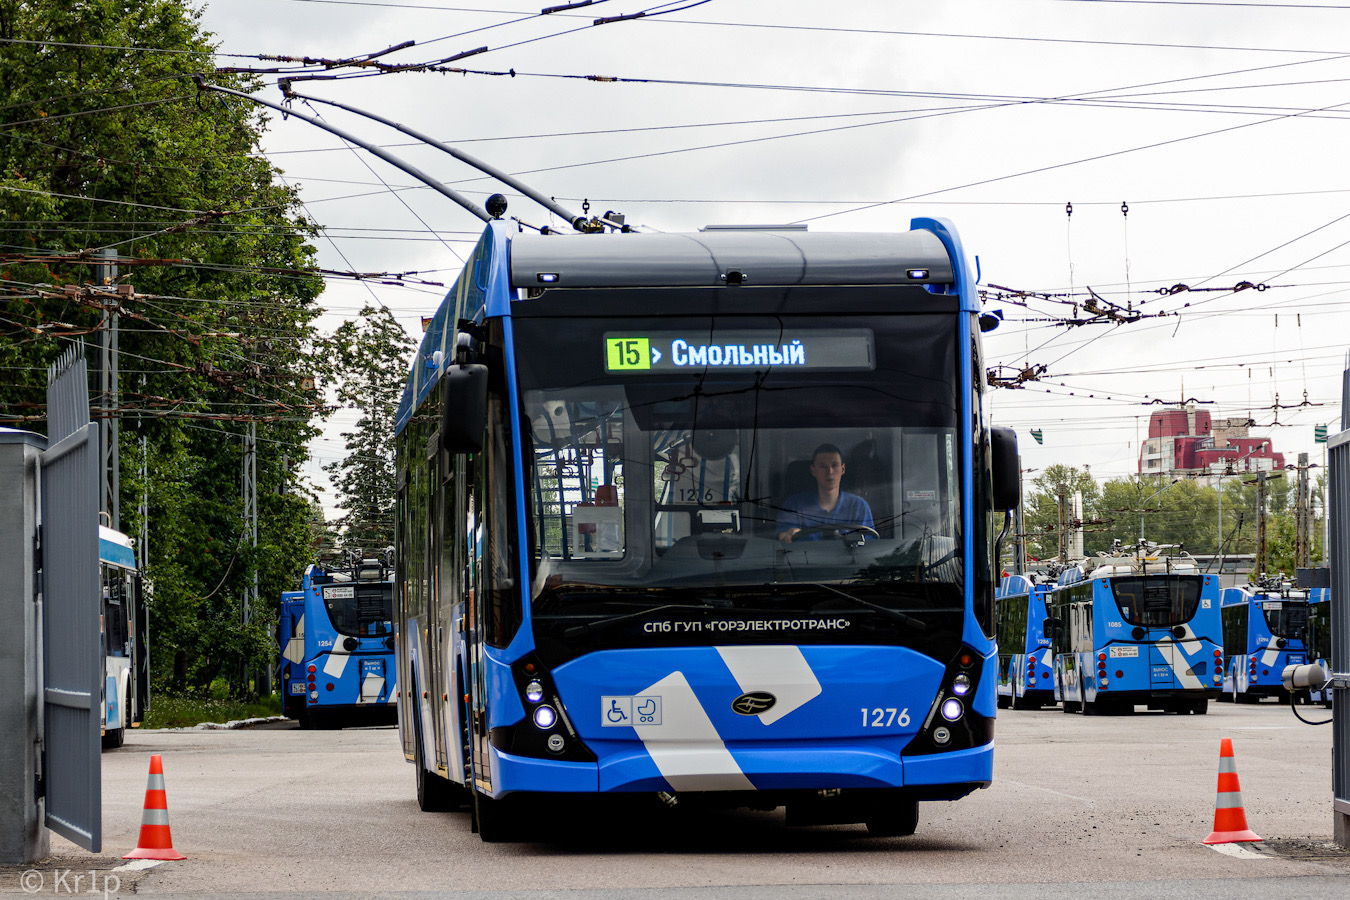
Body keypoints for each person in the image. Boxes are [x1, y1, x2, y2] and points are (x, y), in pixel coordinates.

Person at [775, 443, 874, 542]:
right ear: (813, 470)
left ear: (842, 469)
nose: (830, 471)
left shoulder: (859, 507)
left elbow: (869, 548)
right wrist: (787, 535)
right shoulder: (793, 505)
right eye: (823, 466)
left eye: (834, 465)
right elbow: (782, 538)